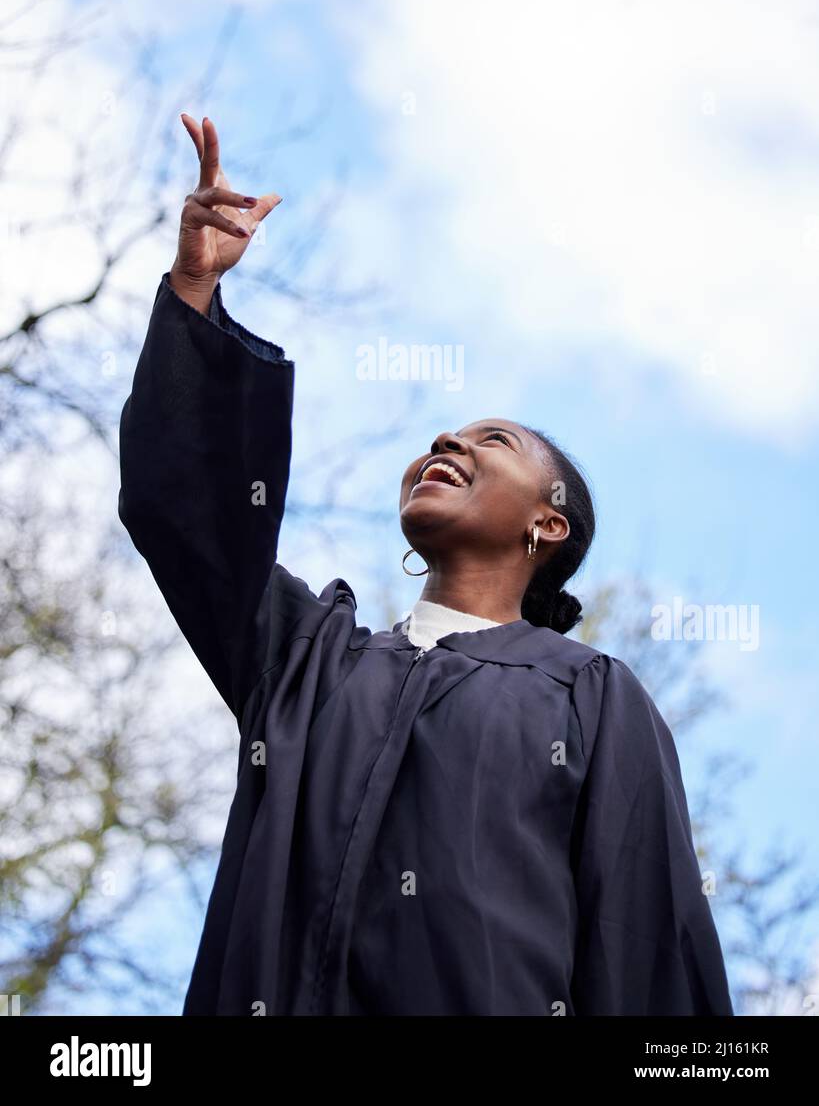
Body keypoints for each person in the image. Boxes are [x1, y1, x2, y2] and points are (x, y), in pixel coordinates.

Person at [117, 114, 734, 1017]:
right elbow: (185, 514)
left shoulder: (593, 697)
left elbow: (647, 942)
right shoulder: (311, 664)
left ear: (545, 525)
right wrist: (195, 293)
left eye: (496, 439)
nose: (447, 438)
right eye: (447, 433)